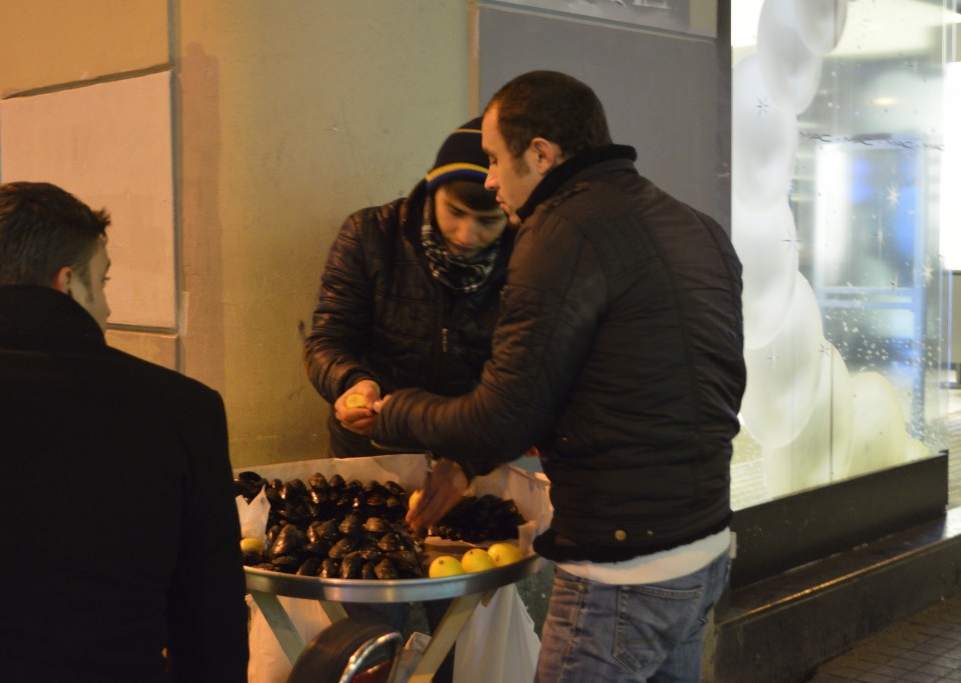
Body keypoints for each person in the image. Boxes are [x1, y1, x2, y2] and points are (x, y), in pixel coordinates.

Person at [372, 71, 747, 683]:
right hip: (703, 550)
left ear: (541, 154)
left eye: (494, 159)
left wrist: (392, 410)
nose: (489, 180)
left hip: (620, 574)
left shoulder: (560, 232)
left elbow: (504, 414)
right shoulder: (693, 224)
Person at [0, 182, 249, 682]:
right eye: (101, 283)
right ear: (69, 283)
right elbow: (211, 626)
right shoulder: (183, 410)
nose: (105, 308)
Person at [304, 118, 512, 683]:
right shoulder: (369, 234)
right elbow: (327, 338)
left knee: (461, 630)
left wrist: (466, 463)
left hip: (469, 464)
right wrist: (351, 382)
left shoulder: (528, 256)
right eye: (454, 213)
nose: (468, 235)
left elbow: (520, 383)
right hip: (370, 460)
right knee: (373, 631)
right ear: (430, 189)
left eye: (486, 220)